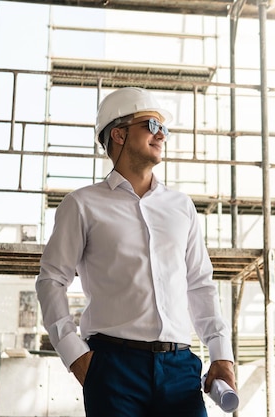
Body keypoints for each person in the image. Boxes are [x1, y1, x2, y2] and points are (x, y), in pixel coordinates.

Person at [36, 86, 236, 417]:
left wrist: (221, 353)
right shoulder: (82, 205)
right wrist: (76, 357)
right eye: (151, 125)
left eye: (164, 128)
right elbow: (51, 281)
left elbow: (200, 284)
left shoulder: (181, 206)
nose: (162, 135)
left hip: (179, 368)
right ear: (118, 134)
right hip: (113, 368)